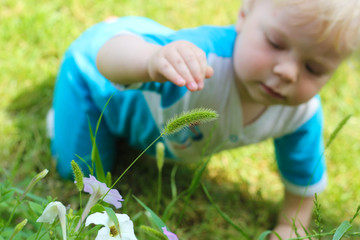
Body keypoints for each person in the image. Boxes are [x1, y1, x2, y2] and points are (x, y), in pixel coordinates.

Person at [48, 0, 360, 238]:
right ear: (244, 14)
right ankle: (70, 105)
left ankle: (131, 28)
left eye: (314, 69)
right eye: (276, 44)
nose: (287, 72)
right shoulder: (203, 62)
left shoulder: (299, 112)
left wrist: (287, 228)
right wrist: (151, 60)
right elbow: (107, 58)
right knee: (82, 180)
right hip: (94, 80)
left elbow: (303, 185)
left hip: (145, 91)